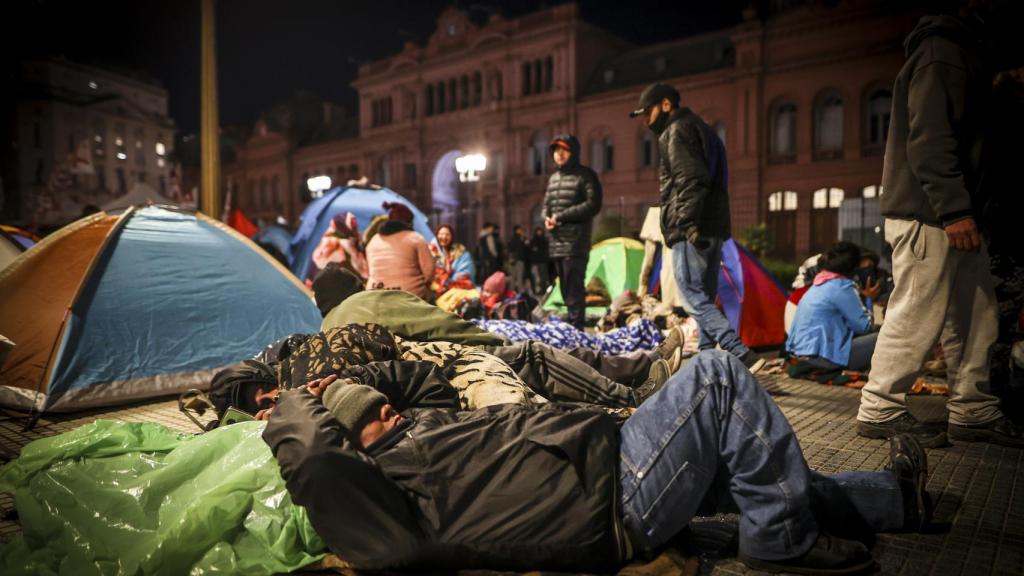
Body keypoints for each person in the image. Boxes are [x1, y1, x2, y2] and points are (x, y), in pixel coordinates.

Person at [265, 349, 932, 574]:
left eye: (386, 406)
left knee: (750, 470)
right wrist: (297, 396)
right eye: (377, 420)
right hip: (613, 499)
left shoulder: (426, 426)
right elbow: (316, 458)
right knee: (717, 376)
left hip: (614, 460)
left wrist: (351, 383)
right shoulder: (378, 503)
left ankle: (897, 500)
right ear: (355, 449)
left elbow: (421, 382)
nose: (393, 414)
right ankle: (782, 541)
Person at [855, 5, 1024, 448]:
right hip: (930, 212)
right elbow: (930, 139)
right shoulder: (943, 53)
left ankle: (972, 409)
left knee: (975, 313)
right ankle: (880, 406)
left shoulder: (959, 52)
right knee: (917, 309)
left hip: (951, 210)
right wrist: (954, 210)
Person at [630, 83, 762, 372]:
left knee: (691, 295)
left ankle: (738, 351)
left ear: (665, 105)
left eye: (647, 112)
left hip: (691, 228)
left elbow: (690, 179)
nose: (645, 120)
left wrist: (686, 223)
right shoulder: (707, 131)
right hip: (713, 227)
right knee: (704, 296)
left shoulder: (675, 131)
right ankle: (704, 357)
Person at [787, 242, 879, 372]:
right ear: (853, 267)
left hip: (799, 356)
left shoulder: (818, 285)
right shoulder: (842, 286)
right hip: (823, 360)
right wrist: (869, 298)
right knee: (887, 336)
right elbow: (865, 327)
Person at [542, 135, 602, 330]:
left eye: (563, 150)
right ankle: (573, 327)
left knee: (574, 288)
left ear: (573, 153)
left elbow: (593, 204)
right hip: (556, 243)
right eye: (555, 150)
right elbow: (546, 205)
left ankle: (578, 330)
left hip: (575, 242)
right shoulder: (553, 178)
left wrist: (560, 217)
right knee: (565, 289)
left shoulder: (585, 175)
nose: (558, 154)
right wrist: (547, 218)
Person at [364, 202, 435, 300]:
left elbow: (368, 271)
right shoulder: (415, 238)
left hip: (374, 295)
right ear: (408, 222)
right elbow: (429, 271)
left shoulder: (373, 240)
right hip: (409, 297)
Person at [429, 223, 475, 296]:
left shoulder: (461, 252)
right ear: (437, 236)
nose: (444, 237)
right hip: (437, 292)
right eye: (441, 234)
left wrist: (447, 283)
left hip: (457, 292)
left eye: (447, 234)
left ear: (452, 237)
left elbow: (466, 272)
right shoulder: (433, 252)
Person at [506, 225, 530, 294]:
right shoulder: (516, 239)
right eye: (520, 230)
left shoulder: (521, 239)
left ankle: (513, 292)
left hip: (517, 260)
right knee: (517, 277)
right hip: (517, 260)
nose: (522, 231)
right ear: (516, 230)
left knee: (516, 277)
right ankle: (517, 292)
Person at [528, 225, 550, 295]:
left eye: (540, 231)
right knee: (536, 276)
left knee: (543, 276)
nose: (539, 232)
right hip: (535, 261)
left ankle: (543, 289)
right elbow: (530, 249)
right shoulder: (533, 240)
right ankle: (537, 290)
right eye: (538, 231)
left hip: (543, 261)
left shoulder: (544, 240)